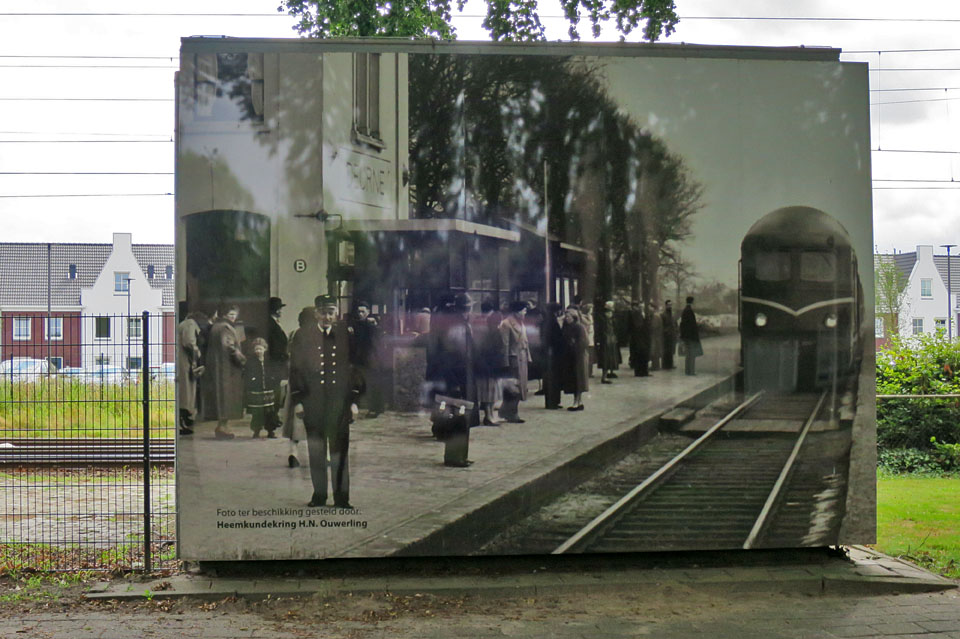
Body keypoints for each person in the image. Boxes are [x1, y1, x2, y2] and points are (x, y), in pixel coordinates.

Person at [289, 296, 362, 508]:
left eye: (331, 312)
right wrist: (298, 400)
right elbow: (296, 370)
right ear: (316, 314)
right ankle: (319, 495)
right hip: (313, 403)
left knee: (340, 450)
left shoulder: (345, 336)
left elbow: (354, 370)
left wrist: (354, 401)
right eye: (323, 312)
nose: (327, 317)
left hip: (339, 404)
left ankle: (342, 498)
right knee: (317, 451)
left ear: (336, 313)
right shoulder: (303, 336)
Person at [203, 304, 246, 439]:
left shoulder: (215, 327)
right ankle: (223, 427)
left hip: (217, 365)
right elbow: (229, 347)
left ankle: (223, 426)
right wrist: (241, 359)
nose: (234, 318)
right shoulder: (225, 328)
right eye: (231, 315)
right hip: (226, 367)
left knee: (221, 396)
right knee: (226, 396)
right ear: (224, 315)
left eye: (235, 315)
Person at [281, 307, 316, 468]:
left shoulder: (295, 334)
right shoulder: (316, 335)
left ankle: (293, 452)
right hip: (312, 382)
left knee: (296, 420)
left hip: (296, 380)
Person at [499, 300, 531, 423]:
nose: (525, 313)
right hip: (513, 359)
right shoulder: (506, 324)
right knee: (513, 388)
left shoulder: (521, 323)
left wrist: (528, 357)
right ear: (517, 312)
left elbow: (525, 342)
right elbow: (504, 344)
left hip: (522, 358)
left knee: (520, 387)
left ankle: (508, 411)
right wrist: (505, 362)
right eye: (523, 311)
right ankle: (512, 413)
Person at [351, 301, 384, 418]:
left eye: (363, 312)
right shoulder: (356, 325)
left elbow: (375, 344)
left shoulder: (371, 327)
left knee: (373, 384)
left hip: (371, 358)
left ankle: (376, 408)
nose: (360, 314)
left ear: (368, 313)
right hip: (360, 359)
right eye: (359, 311)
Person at [473, 300, 503, 425]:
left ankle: (489, 414)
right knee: (490, 389)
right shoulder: (490, 326)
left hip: (481, 361)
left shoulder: (475, 322)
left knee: (486, 389)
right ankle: (488, 416)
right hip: (489, 361)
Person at [176, 310, 207, 435]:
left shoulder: (184, 323)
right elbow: (189, 342)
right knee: (186, 395)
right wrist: (197, 353)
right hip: (185, 364)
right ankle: (182, 424)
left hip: (183, 362)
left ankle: (182, 422)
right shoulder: (190, 324)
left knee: (185, 394)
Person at [244, 337, 279, 438]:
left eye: (260, 348)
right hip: (257, 390)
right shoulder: (251, 362)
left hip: (268, 389)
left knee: (270, 412)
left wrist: (273, 380)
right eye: (256, 349)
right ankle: (256, 430)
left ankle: (270, 431)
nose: (258, 351)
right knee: (257, 412)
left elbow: (274, 373)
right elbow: (248, 374)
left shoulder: (269, 361)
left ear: (265, 349)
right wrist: (252, 380)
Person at [266, 297, 289, 434]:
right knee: (273, 393)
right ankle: (271, 422)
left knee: (275, 393)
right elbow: (275, 346)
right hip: (274, 364)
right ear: (275, 310)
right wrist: (283, 356)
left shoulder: (273, 323)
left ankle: (273, 419)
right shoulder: (270, 325)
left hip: (277, 363)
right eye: (279, 308)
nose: (281, 311)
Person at [560, 307, 589, 411]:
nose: (566, 318)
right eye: (566, 316)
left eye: (568, 316)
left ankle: (577, 402)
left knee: (578, 379)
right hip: (569, 356)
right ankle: (578, 401)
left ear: (574, 317)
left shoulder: (579, 327)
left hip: (578, 357)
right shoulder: (566, 327)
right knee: (573, 379)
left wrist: (574, 345)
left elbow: (584, 342)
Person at [541, 303, 565, 410]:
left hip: (547, 353)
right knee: (553, 379)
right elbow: (557, 338)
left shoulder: (546, 320)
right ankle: (552, 402)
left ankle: (552, 401)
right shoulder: (553, 322)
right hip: (553, 354)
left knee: (550, 378)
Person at [596, 300, 621, 384]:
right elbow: (600, 330)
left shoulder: (611, 319)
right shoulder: (602, 319)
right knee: (605, 359)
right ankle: (604, 376)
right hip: (606, 341)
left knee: (610, 358)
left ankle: (608, 373)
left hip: (610, 340)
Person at [679, 296, 703, 376]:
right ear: (692, 302)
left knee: (688, 354)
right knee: (692, 354)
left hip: (686, 336)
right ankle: (691, 371)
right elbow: (691, 325)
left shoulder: (685, 310)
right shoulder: (689, 311)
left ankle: (687, 370)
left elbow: (683, 325)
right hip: (691, 337)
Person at [628, 302, 650, 377]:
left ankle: (644, 371)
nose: (642, 308)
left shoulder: (644, 314)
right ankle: (639, 372)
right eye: (640, 307)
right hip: (638, 338)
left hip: (644, 338)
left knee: (644, 354)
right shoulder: (635, 314)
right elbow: (636, 326)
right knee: (638, 354)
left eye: (643, 307)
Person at [580, 303, 595, 377]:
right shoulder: (584, 317)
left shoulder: (590, 316)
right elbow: (588, 325)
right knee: (588, 356)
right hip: (587, 338)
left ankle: (590, 372)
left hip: (591, 338)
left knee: (591, 357)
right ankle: (587, 371)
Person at [661, 300, 678, 370]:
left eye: (671, 305)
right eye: (668, 305)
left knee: (671, 350)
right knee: (666, 350)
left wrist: (676, 331)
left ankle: (670, 364)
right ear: (666, 305)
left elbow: (675, 324)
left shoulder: (673, 315)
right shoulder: (663, 315)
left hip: (672, 335)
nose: (670, 306)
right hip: (666, 335)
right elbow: (662, 325)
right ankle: (665, 365)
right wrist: (666, 331)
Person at [649, 303, 663, 371]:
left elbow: (653, 326)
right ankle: (655, 365)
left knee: (654, 351)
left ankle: (655, 366)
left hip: (655, 336)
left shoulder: (655, 317)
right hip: (656, 336)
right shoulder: (656, 316)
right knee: (655, 351)